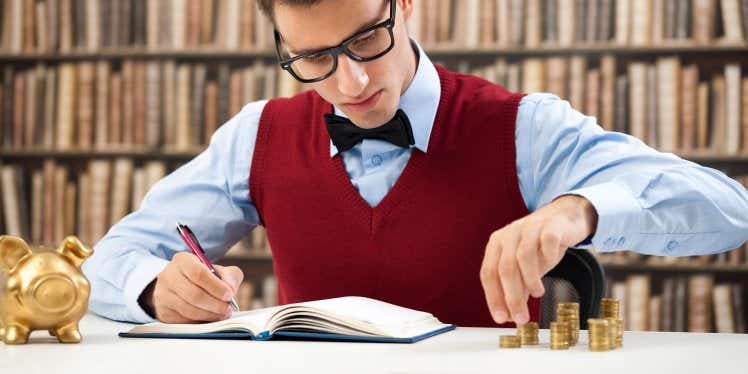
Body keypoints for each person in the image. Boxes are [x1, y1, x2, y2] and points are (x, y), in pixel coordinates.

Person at [82, 0, 748, 326]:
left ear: (404, 6)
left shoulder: (524, 125)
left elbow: (730, 211)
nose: (348, 84)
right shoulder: (255, 133)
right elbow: (111, 257)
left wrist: (583, 207)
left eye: (367, 39)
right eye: (314, 60)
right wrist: (152, 288)